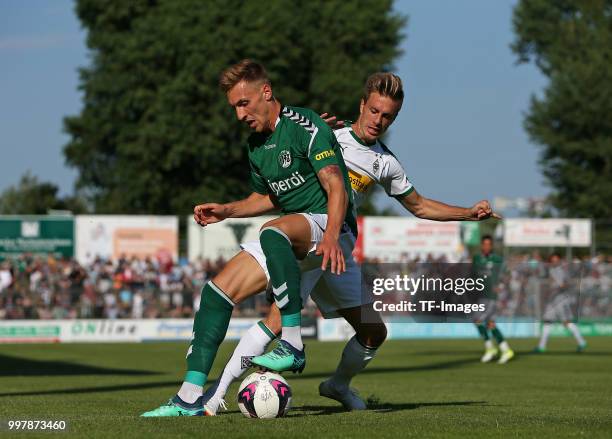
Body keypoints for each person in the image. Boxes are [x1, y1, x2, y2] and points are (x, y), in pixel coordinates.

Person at [198, 72, 501, 415]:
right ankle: (214, 395)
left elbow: (419, 205)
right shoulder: (328, 133)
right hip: (313, 237)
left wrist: (468, 214)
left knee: (373, 332)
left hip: (339, 248)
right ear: (362, 105)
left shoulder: (385, 163)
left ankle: (337, 385)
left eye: (388, 116)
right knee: (277, 320)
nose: (379, 121)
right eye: (374, 111)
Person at [141, 59, 356, 417]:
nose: (239, 114)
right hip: (291, 233)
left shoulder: (304, 125)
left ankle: (292, 342)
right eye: (233, 108)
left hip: (332, 226)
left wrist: (332, 235)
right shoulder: (256, 146)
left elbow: (335, 184)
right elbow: (269, 197)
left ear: (266, 92)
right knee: (216, 293)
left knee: (272, 232)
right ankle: (190, 398)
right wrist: (228, 210)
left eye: (243, 104)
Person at [472, 235, 514, 364]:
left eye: (488, 244)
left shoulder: (497, 259)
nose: (486, 247)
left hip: (492, 297)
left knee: (478, 319)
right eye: (484, 244)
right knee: (489, 323)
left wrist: (500, 286)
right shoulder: (477, 259)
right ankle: (504, 349)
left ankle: (491, 348)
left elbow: (508, 274)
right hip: (481, 296)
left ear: (491, 246)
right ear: (481, 246)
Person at [534, 253, 586, 353]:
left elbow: (564, 284)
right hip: (552, 300)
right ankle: (541, 346)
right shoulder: (551, 270)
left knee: (566, 322)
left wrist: (558, 286)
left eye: (556, 260)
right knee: (547, 322)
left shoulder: (561, 270)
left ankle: (581, 342)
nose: (554, 262)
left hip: (560, 300)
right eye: (552, 260)